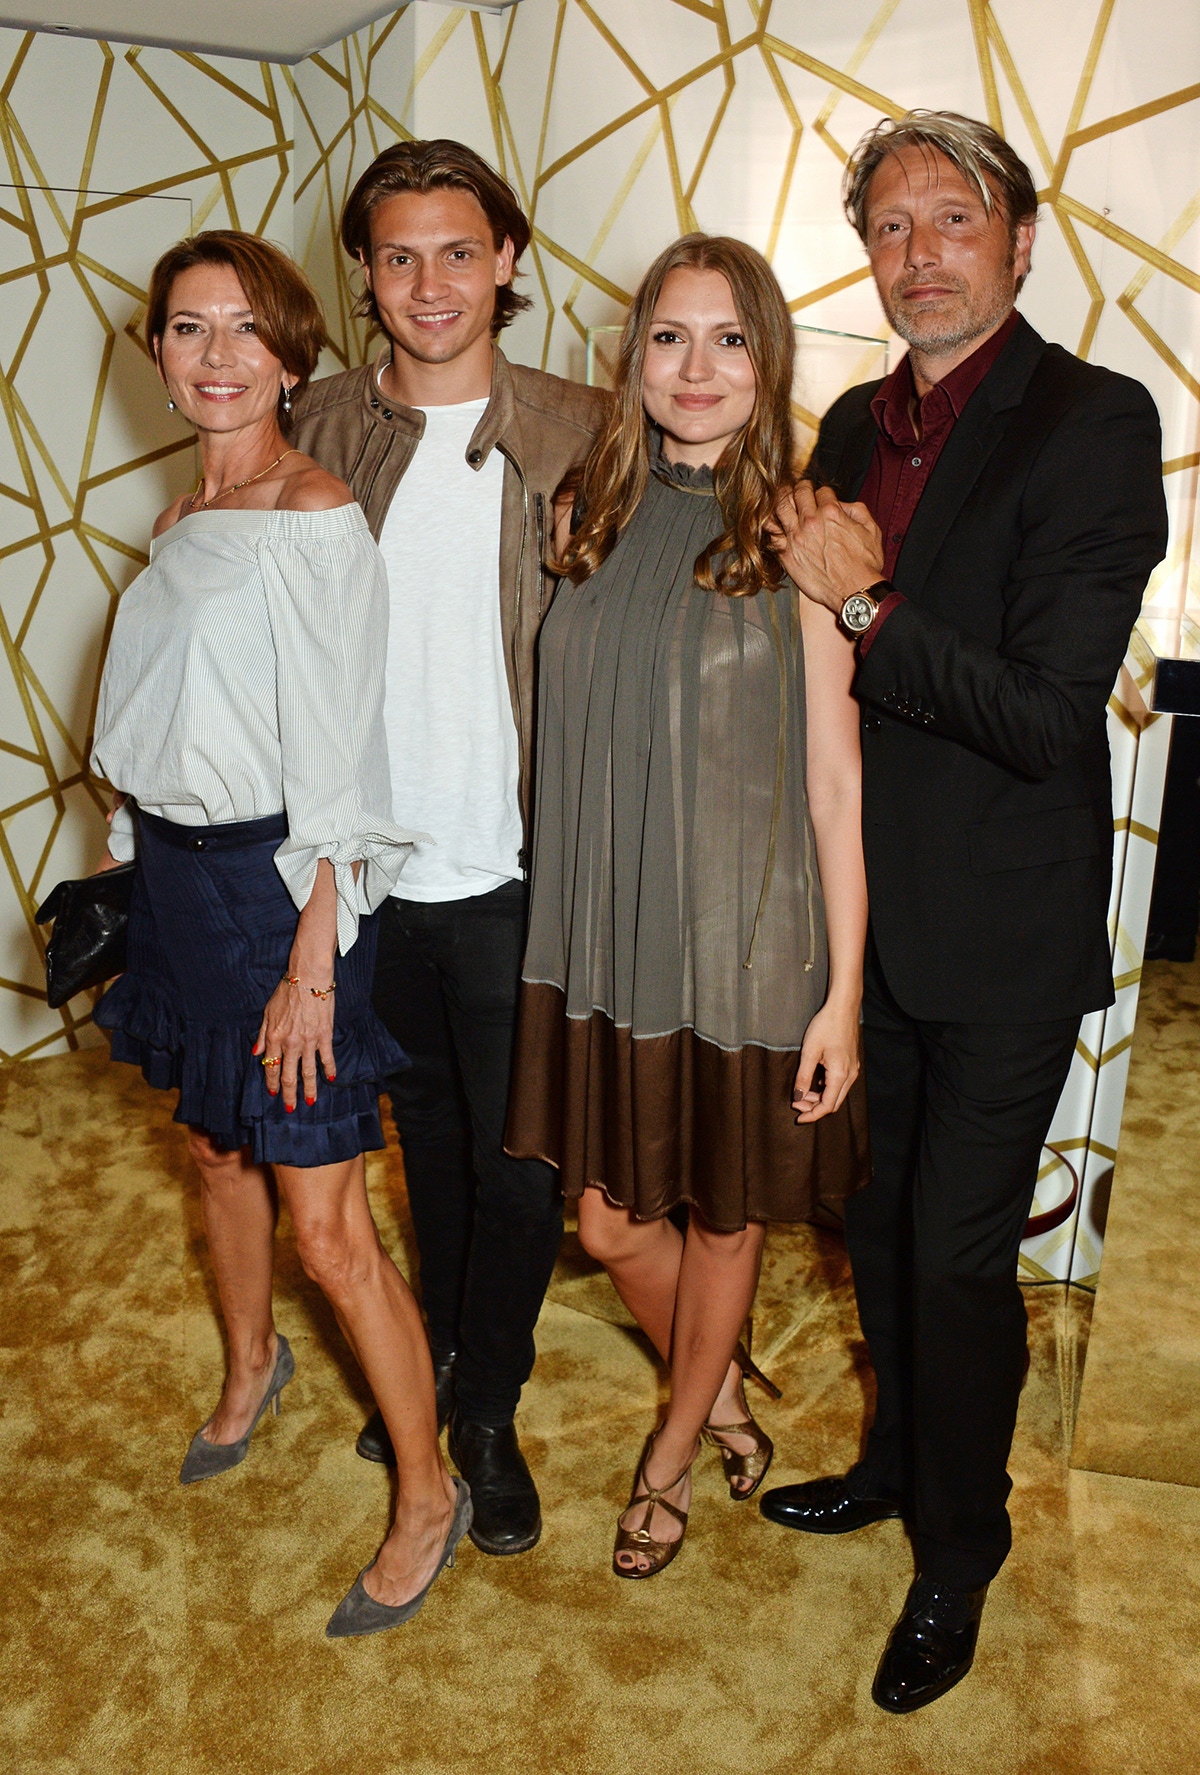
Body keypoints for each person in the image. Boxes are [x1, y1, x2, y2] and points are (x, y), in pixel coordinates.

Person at [759, 111, 1169, 1711]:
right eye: (888, 229)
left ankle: (961, 1546)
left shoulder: (1095, 420)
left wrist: (866, 597)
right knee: (872, 1230)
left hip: (1003, 935)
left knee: (950, 1259)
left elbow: (1049, 719)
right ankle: (892, 1463)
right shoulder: (853, 417)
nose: (916, 254)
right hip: (864, 928)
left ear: (1019, 239)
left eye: (951, 220)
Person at [91, 230, 470, 1640]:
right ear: (159, 352)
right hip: (182, 888)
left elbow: (343, 770)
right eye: (190, 329)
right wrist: (134, 876)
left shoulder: (316, 518)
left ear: (294, 355)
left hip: (282, 893)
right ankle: (253, 1368)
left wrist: (315, 966)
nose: (217, 357)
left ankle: (427, 1493)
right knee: (210, 1142)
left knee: (329, 1224)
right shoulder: (181, 524)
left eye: (247, 331)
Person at [504, 234, 871, 1577]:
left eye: (728, 339)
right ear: (635, 354)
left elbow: (837, 784)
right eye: (671, 336)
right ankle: (715, 1385)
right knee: (606, 1221)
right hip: (608, 936)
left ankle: (672, 1452)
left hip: (752, 943)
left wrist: (839, 993)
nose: (698, 367)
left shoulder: (808, 533)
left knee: (725, 1213)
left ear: (768, 360)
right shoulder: (583, 512)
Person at [287, 141, 608, 1557]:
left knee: (521, 1162)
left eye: (459, 251)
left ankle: (486, 1406)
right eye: (399, 254)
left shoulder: (593, 428)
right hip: (365, 875)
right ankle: (436, 1373)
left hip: (519, 869)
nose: (431, 282)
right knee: (424, 1144)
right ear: (363, 273)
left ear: (510, 262)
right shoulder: (320, 425)